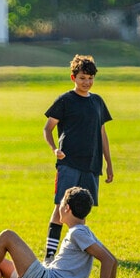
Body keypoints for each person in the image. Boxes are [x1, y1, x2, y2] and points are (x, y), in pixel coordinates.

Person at [42, 55, 113, 263]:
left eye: (90, 78)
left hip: (91, 164)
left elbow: (102, 134)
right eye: (83, 78)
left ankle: (74, 253)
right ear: (73, 77)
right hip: (69, 163)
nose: (87, 82)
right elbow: (48, 129)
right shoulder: (65, 101)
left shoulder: (98, 102)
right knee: (60, 207)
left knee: (81, 212)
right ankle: (49, 255)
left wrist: (108, 162)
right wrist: (55, 149)